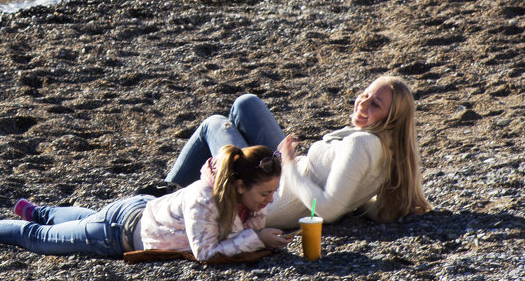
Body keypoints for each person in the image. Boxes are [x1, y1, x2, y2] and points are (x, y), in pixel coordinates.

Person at [0, 145, 294, 261]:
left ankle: (43, 210)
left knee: (79, 219)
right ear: (239, 185)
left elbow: (246, 228)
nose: (271, 200)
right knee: (35, 238)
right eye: (265, 193)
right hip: (117, 234)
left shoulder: (246, 197)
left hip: (141, 211)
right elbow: (206, 253)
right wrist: (258, 240)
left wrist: (261, 230)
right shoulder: (204, 200)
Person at [164, 75, 429, 227]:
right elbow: (355, 199)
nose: (363, 103)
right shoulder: (388, 148)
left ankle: (161, 193)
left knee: (212, 124)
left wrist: (289, 164)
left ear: (391, 118)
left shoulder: (362, 144)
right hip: (283, 174)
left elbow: (327, 209)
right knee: (247, 104)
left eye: (376, 105)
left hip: (269, 193)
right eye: (366, 94)